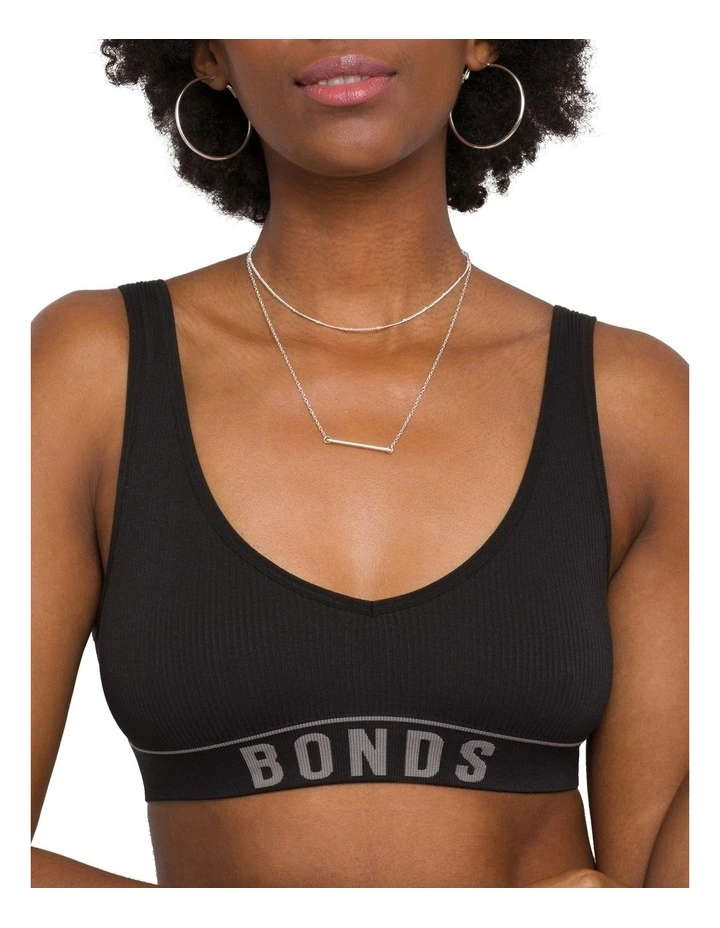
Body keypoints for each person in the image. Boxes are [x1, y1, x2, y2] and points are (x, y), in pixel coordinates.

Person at [31, 39, 688, 888]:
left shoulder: (636, 404)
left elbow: (668, 888)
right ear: (208, 54)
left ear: (481, 35)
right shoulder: (93, 373)